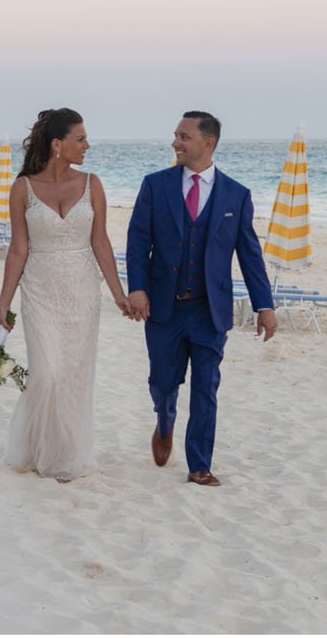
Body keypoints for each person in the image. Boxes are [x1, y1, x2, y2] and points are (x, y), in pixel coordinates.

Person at [124, 111, 278, 487]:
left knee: (206, 386)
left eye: (184, 136)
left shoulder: (236, 195)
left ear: (207, 143)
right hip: (164, 305)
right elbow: (138, 240)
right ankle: (165, 419)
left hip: (210, 309)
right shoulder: (155, 186)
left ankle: (199, 465)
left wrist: (265, 304)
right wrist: (137, 288)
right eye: (176, 135)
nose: (175, 142)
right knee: (162, 382)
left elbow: (249, 252)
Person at [0, 108, 130, 483]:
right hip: (39, 290)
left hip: (82, 291)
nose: (87, 145)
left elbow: (100, 242)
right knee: (46, 373)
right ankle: (36, 446)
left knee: (72, 375)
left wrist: (118, 293)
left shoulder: (93, 184)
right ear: (58, 144)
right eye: (81, 139)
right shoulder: (22, 188)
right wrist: (3, 302)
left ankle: (62, 456)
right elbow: (18, 249)